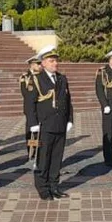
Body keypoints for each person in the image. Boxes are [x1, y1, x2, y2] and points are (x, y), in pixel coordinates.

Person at [27, 48, 73, 200]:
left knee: (56, 158)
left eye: (56, 60)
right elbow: (30, 104)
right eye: (52, 61)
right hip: (44, 125)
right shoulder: (36, 79)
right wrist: (33, 123)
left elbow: (68, 101)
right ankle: (43, 189)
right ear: (43, 63)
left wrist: (70, 119)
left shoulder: (62, 79)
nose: (55, 63)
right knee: (43, 158)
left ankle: (54, 186)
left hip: (60, 124)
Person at [95, 48, 112, 167]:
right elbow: (99, 90)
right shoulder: (103, 72)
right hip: (110, 107)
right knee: (109, 132)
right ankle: (108, 158)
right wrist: (104, 105)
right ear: (111, 60)